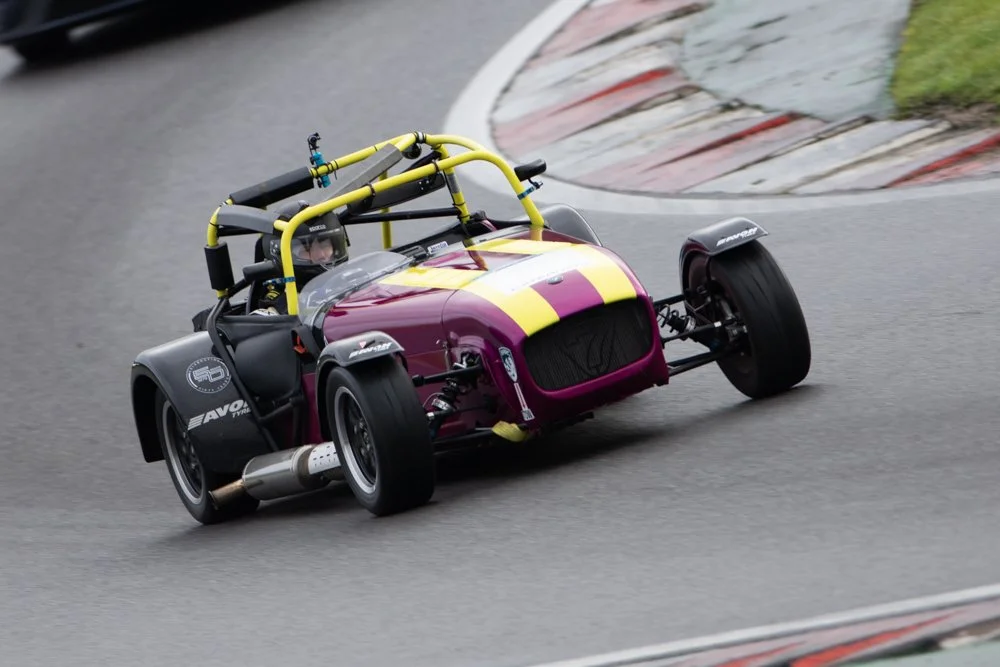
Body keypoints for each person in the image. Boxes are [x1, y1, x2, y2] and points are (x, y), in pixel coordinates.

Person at [249, 200, 350, 316]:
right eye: (306, 249)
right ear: (280, 253)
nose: (321, 255)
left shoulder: (355, 284)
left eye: (325, 245)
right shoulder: (274, 313)